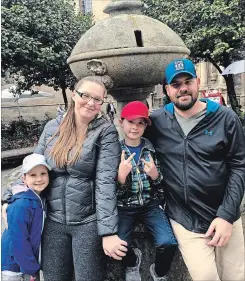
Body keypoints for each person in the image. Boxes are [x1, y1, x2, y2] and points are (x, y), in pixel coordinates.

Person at [2, 77, 127, 281]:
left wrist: (108, 232)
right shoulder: (52, 127)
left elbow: (105, 182)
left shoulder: (106, 132)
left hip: (87, 221)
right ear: (74, 95)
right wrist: (9, 198)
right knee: (53, 277)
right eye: (85, 95)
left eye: (98, 99)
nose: (91, 102)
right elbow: (33, 166)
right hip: (52, 220)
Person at [146, 58, 245, 281]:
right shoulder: (157, 122)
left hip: (224, 215)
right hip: (185, 219)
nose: (183, 89)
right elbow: (128, 134)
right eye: (176, 84)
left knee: (236, 276)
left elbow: (239, 166)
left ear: (197, 82)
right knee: (206, 277)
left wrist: (227, 215)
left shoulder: (225, 118)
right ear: (167, 90)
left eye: (187, 81)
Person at [117, 101, 177, 281]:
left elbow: (162, 186)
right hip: (124, 207)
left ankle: (158, 272)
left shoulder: (151, 149)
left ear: (145, 126)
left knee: (168, 242)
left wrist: (155, 175)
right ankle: (132, 262)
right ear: (122, 122)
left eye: (140, 123)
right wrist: (121, 178)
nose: (135, 127)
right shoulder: (114, 151)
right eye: (131, 122)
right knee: (117, 246)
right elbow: (110, 192)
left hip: (150, 205)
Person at [1, 154, 51, 281]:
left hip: (27, 263)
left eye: (43, 173)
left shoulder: (38, 197)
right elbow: (19, 240)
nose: (39, 179)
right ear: (24, 178)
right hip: (14, 266)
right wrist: (31, 268)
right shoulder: (21, 204)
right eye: (33, 175)